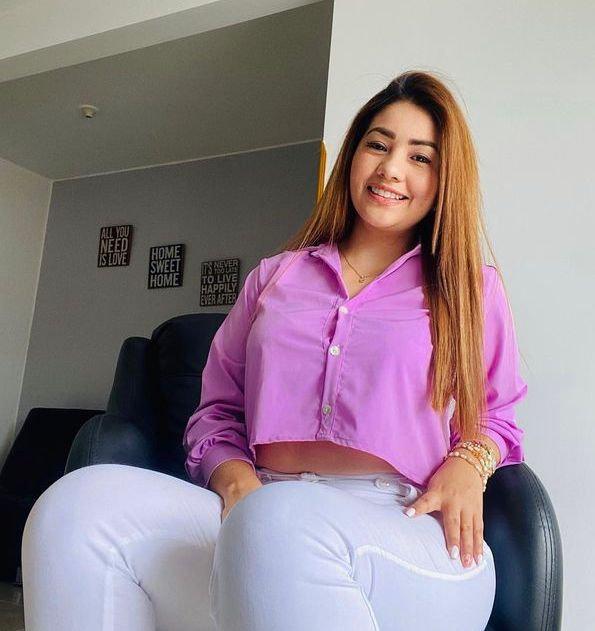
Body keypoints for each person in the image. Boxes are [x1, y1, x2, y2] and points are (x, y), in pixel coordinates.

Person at [21, 70, 527, 631]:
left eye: (420, 157)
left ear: (445, 177)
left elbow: (497, 414)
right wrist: (237, 481)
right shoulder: (275, 277)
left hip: (403, 526)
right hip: (261, 509)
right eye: (378, 145)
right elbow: (216, 411)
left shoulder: (469, 287)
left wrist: (468, 465)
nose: (391, 169)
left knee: (280, 523)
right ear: (352, 156)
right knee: (78, 508)